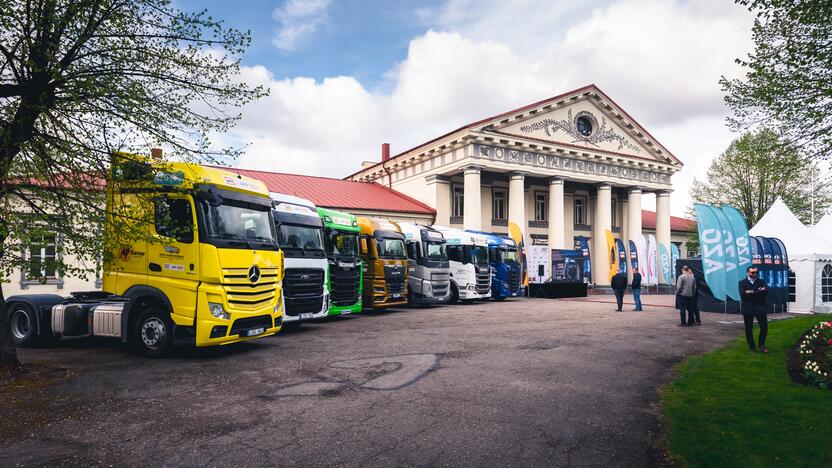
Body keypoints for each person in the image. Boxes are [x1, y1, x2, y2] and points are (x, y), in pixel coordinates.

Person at [739, 266, 768, 352]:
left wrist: (751, 291)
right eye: (753, 272)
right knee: (748, 328)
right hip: (748, 309)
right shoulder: (742, 283)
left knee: (764, 327)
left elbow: (766, 292)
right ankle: (752, 347)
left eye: (756, 272)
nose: (755, 274)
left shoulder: (761, 281)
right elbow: (743, 294)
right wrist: (758, 291)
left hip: (760, 307)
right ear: (748, 272)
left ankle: (761, 344)